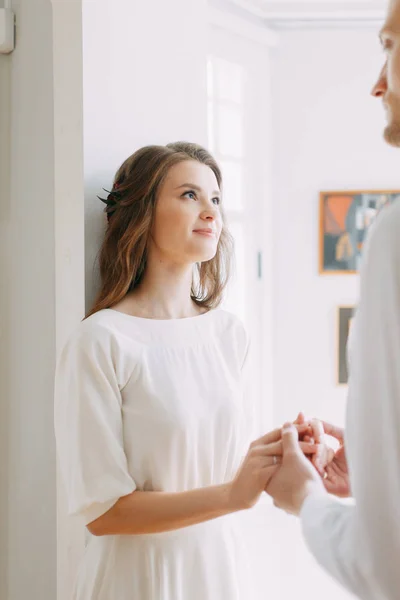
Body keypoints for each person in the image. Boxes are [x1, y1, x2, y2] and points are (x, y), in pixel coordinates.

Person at [54, 141, 317, 600]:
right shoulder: (101, 341)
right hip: (137, 577)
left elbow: (220, 465)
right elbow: (103, 514)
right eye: (189, 195)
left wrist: (281, 452)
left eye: (216, 198)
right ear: (142, 212)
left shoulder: (228, 334)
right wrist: (231, 497)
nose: (211, 212)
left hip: (219, 567)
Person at [263, 1, 400, 598]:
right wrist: (376, 473)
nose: (378, 82)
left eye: (390, 46)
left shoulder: (394, 237)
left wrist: (306, 498)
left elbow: (383, 564)